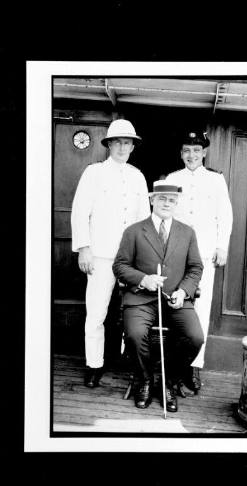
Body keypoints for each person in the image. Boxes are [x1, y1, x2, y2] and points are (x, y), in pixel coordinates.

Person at [71, 119, 151, 388]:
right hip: (101, 256)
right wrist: (84, 248)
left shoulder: (138, 176)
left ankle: (127, 362)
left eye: (126, 142)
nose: (121, 146)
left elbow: (145, 219)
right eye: (116, 141)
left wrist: (144, 256)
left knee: (132, 311)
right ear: (108, 144)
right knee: (96, 312)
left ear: (132, 146)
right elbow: (80, 211)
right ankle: (94, 364)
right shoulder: (93, 173)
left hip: (129, 258)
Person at [112, 180, 204, 412]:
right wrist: (144, 279)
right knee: (134, 334)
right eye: (162, 198)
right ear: (152, 200)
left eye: (171, 200)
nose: (166, 203)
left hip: (175, 300)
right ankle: (143, 380)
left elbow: (195, 268)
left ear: (177, 203)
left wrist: (183, 291)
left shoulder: (187, 232)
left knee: (195, 338)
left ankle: (168, 382)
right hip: (141, 298)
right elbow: (120, 266)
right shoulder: (133, 231)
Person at [166, 130, 233, 391]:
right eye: (186, 150)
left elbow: (225, 216)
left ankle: (194, 368)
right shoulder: (173, 178)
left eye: (196, 150)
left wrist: (222, 246)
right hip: (176, 255)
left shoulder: (216, 180)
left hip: (204, 255)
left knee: (201, 311)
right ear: (181, 153)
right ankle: (173, 365)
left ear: (204, 152)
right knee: (176, 308)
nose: (191, 155)